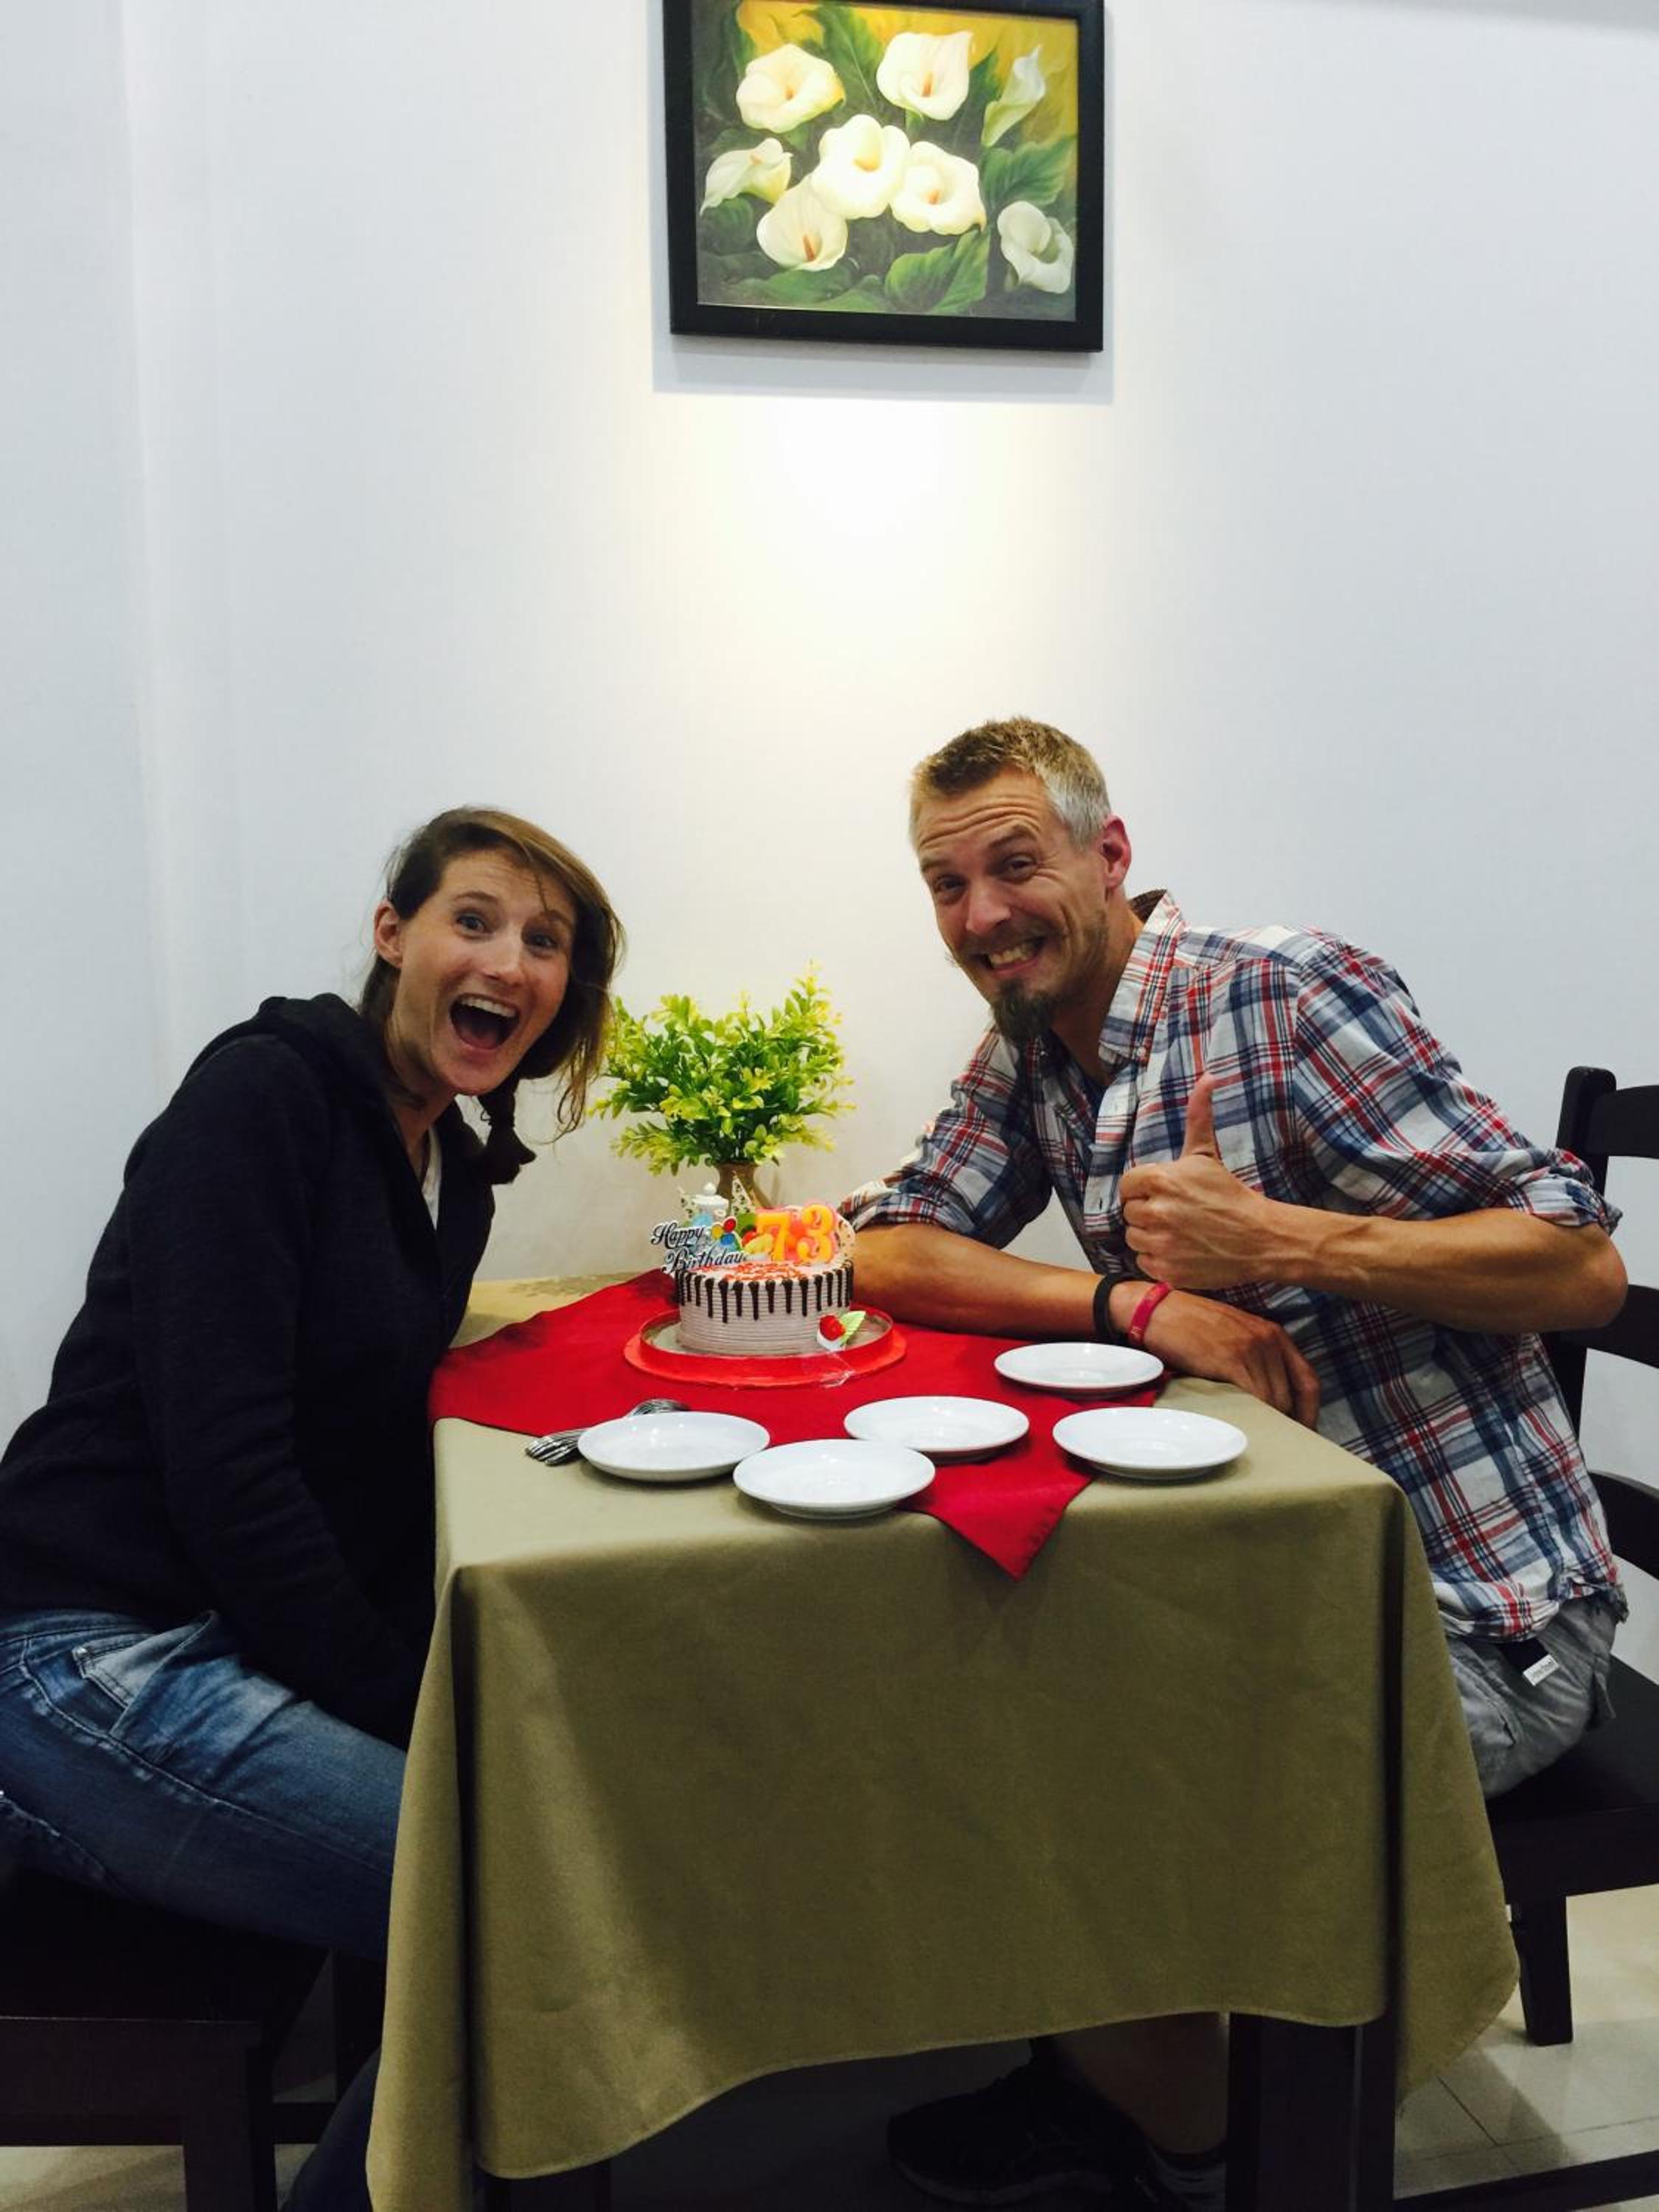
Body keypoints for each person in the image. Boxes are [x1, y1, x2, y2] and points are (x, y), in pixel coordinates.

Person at [845, 717, 1627, 2211]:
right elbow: (891, 1246)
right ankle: (1114, 2080)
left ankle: (1214, 2152)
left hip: (1475, 1621)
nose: (983, 915)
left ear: (1111, 856)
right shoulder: (1032, 1046)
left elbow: (1578, 1265)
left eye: (1014, 865)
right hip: (1257, 1582)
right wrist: (1132, 1304)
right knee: (956, 1694)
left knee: (1069, 1789)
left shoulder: (1278, 993)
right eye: (946, 884)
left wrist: (1285, 1241)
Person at [0, 806, 622, 2211]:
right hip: (74, 1660)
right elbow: (233, 1477)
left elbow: (365, 1464)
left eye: (544, 943)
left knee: (553, 1854)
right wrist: (416, 1706)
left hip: (216, 1640)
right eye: (474, 919)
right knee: (518, 1915)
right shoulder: (262, 1098)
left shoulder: (449, 1168)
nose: (509, 963)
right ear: (394, 935)